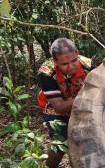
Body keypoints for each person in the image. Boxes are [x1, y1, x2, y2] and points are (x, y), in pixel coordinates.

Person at [37, 38, 94, 168]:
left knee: (88, 139)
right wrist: (87, 96)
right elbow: (59, 107)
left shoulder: (88, 65)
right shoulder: (46, 73)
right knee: (60, 143)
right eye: (64, 64)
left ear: (77, 53)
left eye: (74, 60)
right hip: (54, 109)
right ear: (55, 61)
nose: (71, 66)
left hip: (80, 105)